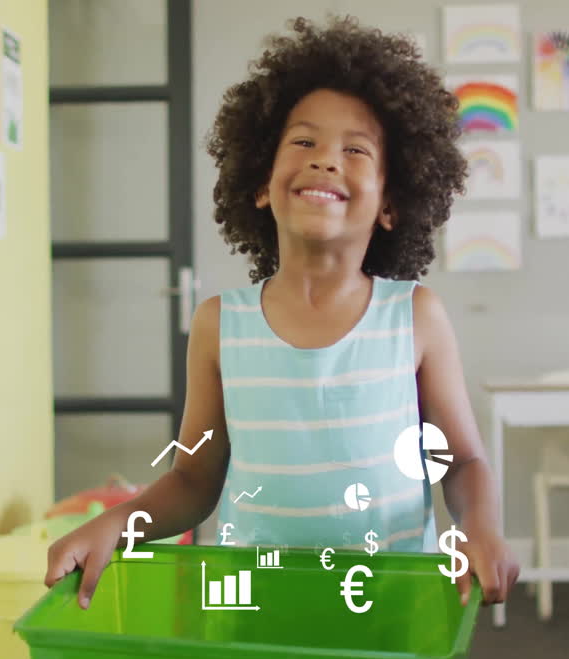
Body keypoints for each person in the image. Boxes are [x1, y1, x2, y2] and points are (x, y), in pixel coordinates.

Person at [46, 15, 520, 610]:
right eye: (303, 141)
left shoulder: (416, 316)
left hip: (396, 607)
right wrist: (119, 523)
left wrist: (479, 525)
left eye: (355, 149)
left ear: (391, 203)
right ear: (262, 184)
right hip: (255, 607)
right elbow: (194, 481)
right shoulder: (220, 325)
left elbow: (465, 459)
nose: (326, 159)